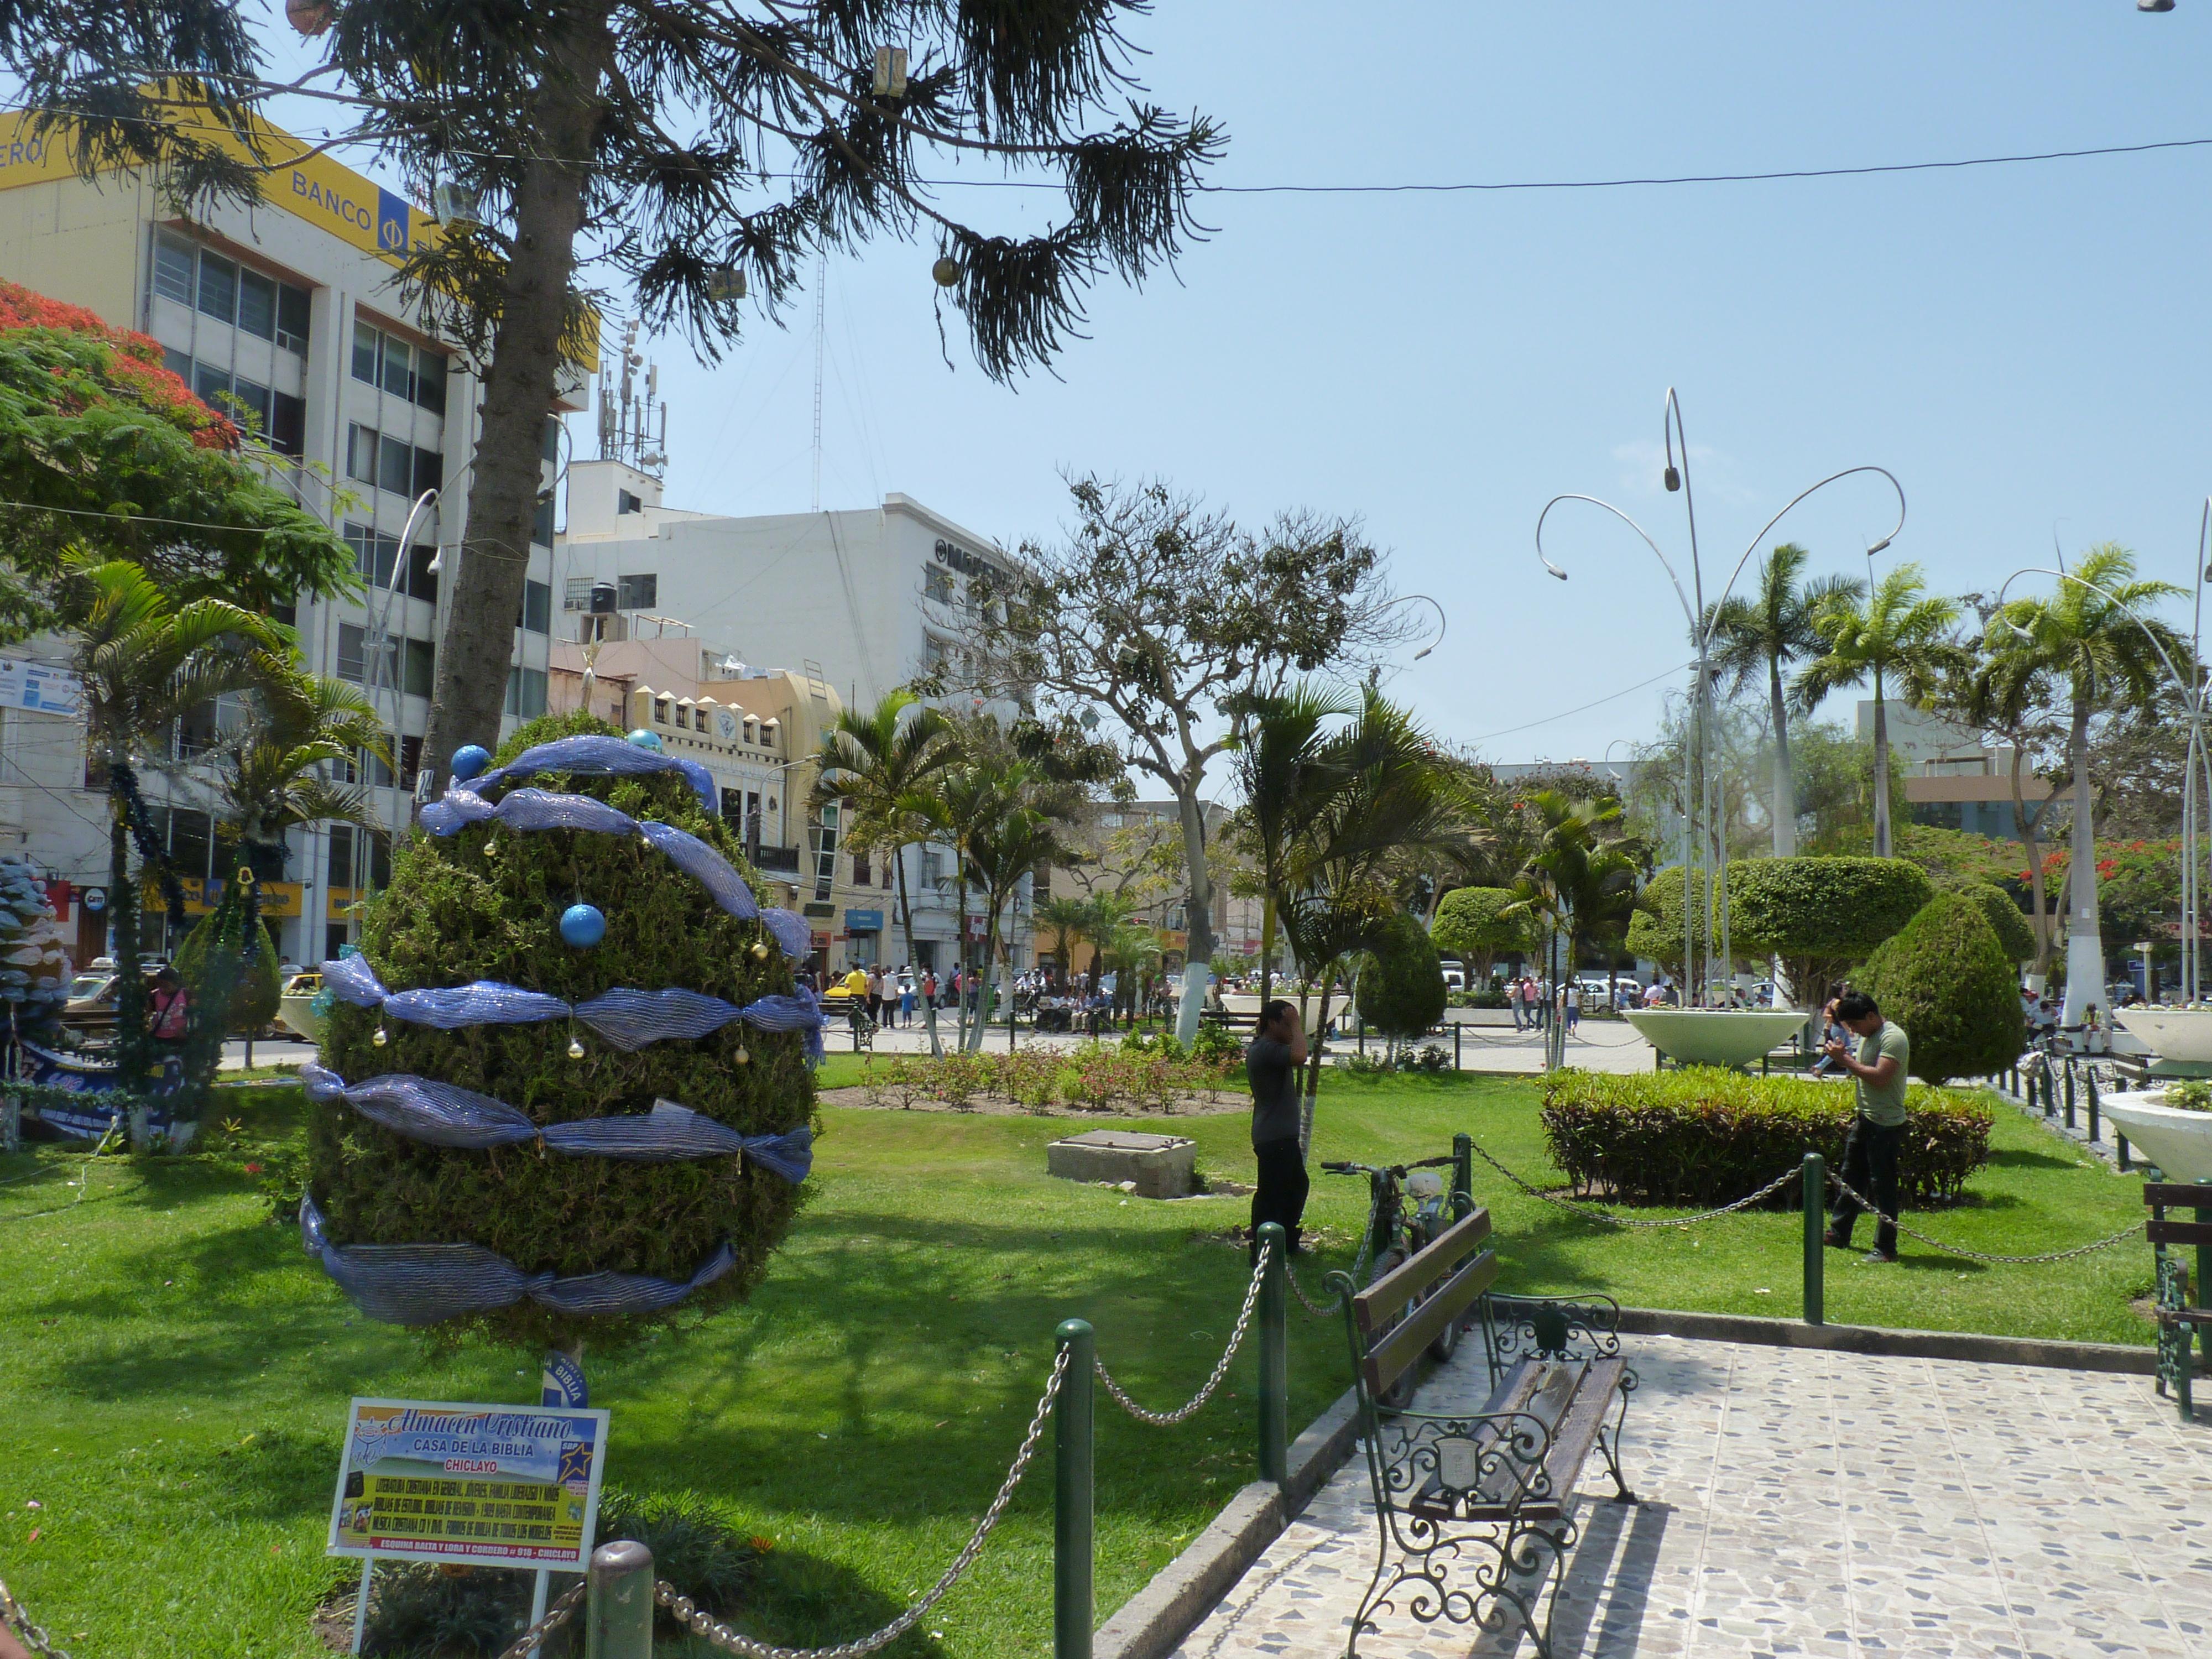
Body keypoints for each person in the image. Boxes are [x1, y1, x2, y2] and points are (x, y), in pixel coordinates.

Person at [1822, 989, 1910, 1264]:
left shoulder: (1893, 1038)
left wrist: (1843, 1060)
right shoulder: (1870, 1036)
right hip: (1866, 1119)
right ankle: (1839, 1233)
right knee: (1851, 1179)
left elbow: (1881, 1078)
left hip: (1886, 1125)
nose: (1854, 1031)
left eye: (1856, 1025)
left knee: (1883, 1187)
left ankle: (1886, 1249)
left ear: (1871, 1016)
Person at [1246, 1000, 1311, 1262]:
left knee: (1295, 1186)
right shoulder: (1265, 1049)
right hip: (1274, 1136)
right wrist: (1297, 1023)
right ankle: (1262, 1251)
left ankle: (1285, 1243)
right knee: (1272, 1195)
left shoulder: (1269, 1047)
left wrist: (1291, 1023)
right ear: (1272, 1024)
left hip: (1280, 1135)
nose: (1291, 1031)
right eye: (1286, 1025)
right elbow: (1301, 1056)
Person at [148, 966, 190, 1049]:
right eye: (160, 985)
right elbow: (147, 1014)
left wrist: (187, 1032)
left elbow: (194, 1014)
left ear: (176, 984)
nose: (163, 989)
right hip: (159, 1037)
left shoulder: (185, 994)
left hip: (179, 1038)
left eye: (166, 986)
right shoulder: (154, 995)